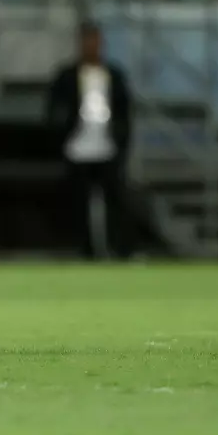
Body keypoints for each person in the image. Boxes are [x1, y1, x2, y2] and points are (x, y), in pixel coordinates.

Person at [47, 22, 133, 259]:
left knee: (115, 201)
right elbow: (53, 109)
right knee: (78, 204)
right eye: (86, 40)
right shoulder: (67, 75)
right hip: (77, 147)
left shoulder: (113, 75)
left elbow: (125, 111)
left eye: (95, 40)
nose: (91, 45)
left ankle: (120, 249)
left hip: (107, 146)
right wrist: (62, 135)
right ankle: (86, 251)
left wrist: (122, 140)